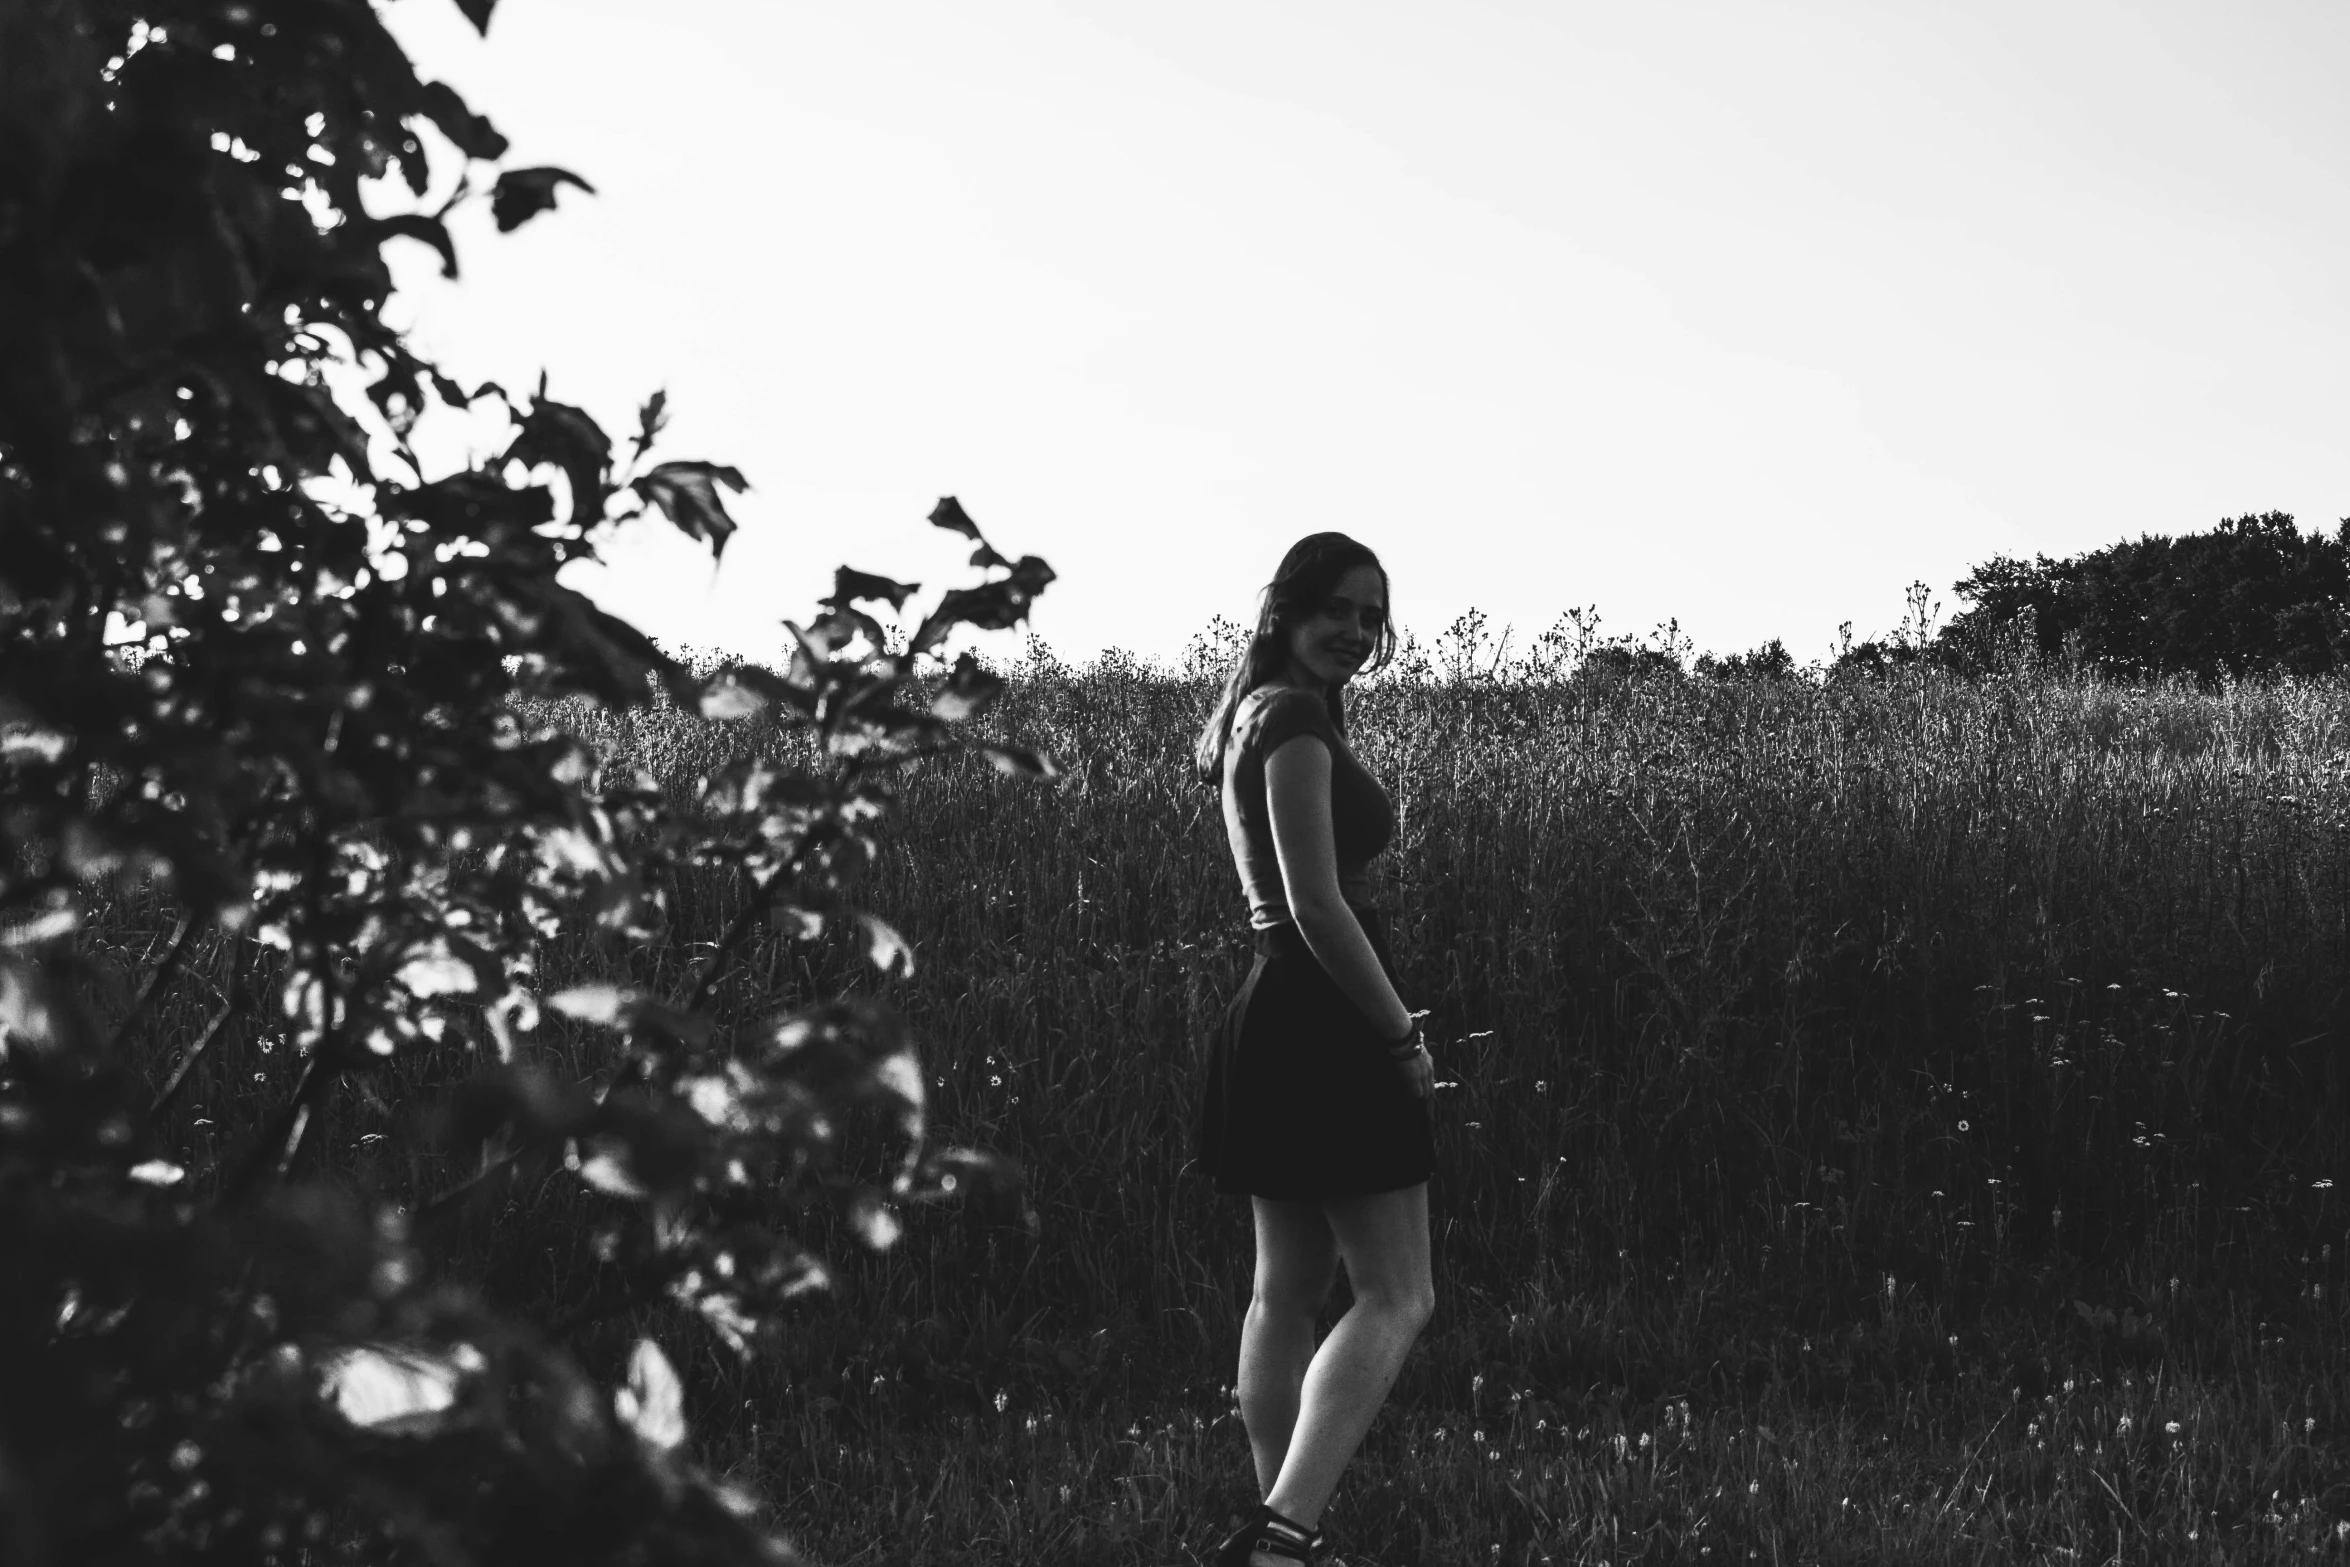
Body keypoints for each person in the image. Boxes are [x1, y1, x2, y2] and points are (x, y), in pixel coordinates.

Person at [1190, 533, 1438, 1567]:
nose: (1356, 629)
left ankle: (1275, 1524)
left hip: (1279, 1012)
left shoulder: (1259, 711)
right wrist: (1398, 1036)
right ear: (1285, 608)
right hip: (1323, 1013)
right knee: (1397, 1292)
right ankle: (1283, 1536)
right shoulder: (1290, 720)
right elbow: (1315, 904)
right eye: (1337, 607)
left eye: (1371, 615)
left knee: (1285, 1286)